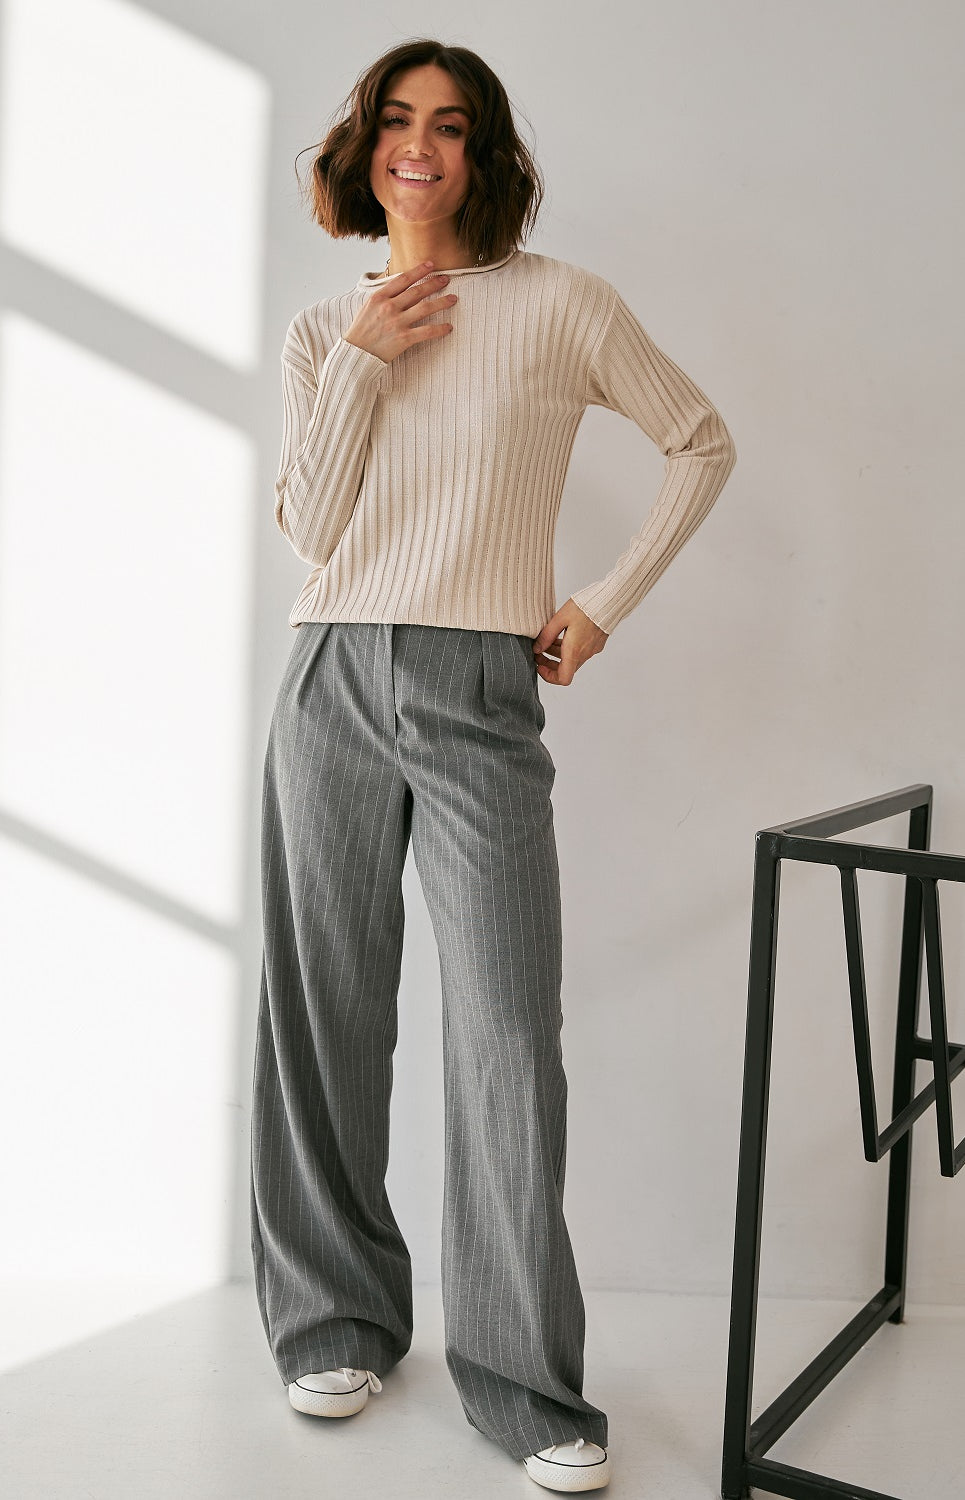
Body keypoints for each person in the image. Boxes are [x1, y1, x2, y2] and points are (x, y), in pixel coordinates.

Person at [250, 37, 737, 1495]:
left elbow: (699, 441)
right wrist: (363, 358)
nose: (420, 145)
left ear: (487, 155)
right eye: (397, 121)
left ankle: (522, 1382)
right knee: (326, 1010)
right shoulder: (324, 328)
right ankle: (334, 1319)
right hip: (334, 675)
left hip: (480, 685)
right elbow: (310, 530)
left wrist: (600, 604)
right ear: (363, 149)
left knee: (508, 1032)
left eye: (450, 125)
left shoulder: (560, 304)